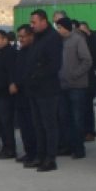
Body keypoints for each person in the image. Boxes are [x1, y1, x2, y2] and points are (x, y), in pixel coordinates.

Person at [24, 10, 63, 172]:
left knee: (49, 125)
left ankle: (50, 158)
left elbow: (55, 65)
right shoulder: (38, 39)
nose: (31, 26)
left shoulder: (53, 38)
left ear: (44, 22)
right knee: (38, 125)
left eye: (34, 23)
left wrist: (36, 75)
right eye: (31, 23)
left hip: (47, 89)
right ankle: (39, 156)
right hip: (35, 90)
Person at [55, 17, 92, 160]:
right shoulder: (59, 42)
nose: (58, 30)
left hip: (76, 86)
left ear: (65, 28)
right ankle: (67, 145)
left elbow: (87, 60)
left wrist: (74, 75)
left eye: (59, 27)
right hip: (62, 85)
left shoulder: (77, 40)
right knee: (64, 118)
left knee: (77, 118)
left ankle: (78, 148)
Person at [0, 30, 17, 159]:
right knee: (0, 121)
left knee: (6, 122)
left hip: (5, 93)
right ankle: (4, 147)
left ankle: (10, 149)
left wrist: (10, 83)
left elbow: (12, 71)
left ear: (5, 40)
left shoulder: (10, 53)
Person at [10, 26, 36, 161]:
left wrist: (18, 84)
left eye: (23, 36)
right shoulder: (20, 52)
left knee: (31, 125)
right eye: (19, 37)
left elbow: (28, 73)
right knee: (24, 126)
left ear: (31, 36)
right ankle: (28, 152)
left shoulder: (33, 52)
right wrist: (12, 83)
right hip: (18, 95)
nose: (20, 39)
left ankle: (34, 153)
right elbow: (15, 70)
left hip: (28, 93)